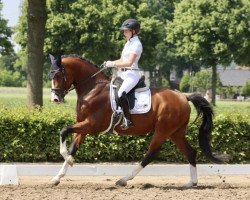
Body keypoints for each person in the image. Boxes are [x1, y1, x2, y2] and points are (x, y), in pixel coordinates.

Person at [105, 19, 143, 130]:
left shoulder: (136, 44)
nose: (124, 33)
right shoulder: (128, 43)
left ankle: (127, 119)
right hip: (123, 73)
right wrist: (109, 63)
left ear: (134, 31)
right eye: (124, 31)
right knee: (110, 90)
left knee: (121, 93)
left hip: (132, 74)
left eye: (126, 31)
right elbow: (122, 59)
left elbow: (129, 62)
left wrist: (112, 64)